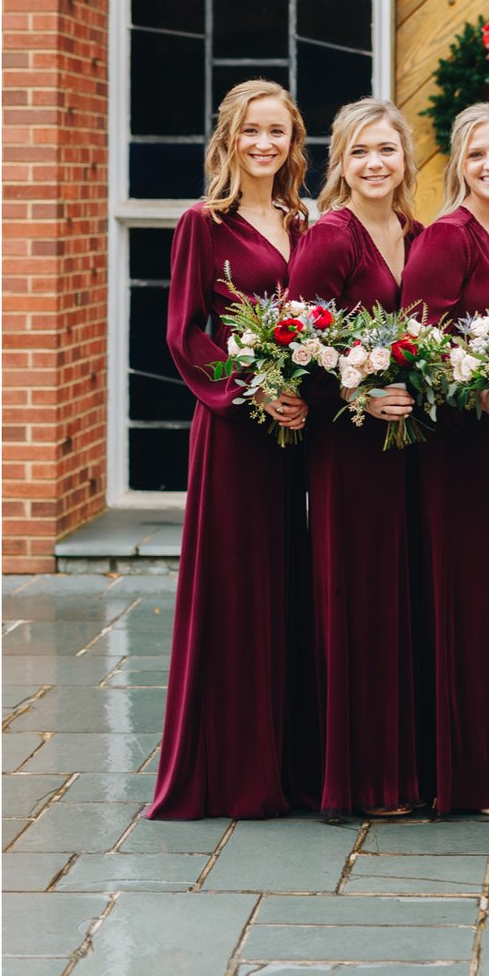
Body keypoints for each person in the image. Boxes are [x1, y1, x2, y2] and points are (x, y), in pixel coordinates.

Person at [149, 81, 317, 820]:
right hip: (235, 435)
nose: (263, 144)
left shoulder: (307, 221)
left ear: (293, 142)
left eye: (276, 132)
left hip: (302, 432)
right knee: (235, 592)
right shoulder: (203, 224)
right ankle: (231, 770)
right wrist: (251, 392)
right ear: (230, 138)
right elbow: (186, 333)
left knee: (293, 585)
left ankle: (292, 761)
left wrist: (314, 385)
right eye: (251, 131)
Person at [402, 102, 489, 818]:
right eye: (478, 153)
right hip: (465, 454)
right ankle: (473, 774)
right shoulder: (445, 237)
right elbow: (415, 350)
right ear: (460, 163)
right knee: (473, 602)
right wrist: (476, 392)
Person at [287, 98, 426, 818]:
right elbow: (296, 340)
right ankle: (355, 778)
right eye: (361, 151)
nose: (376, 163)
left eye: (388, 150)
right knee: (355, 599)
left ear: (407, 160)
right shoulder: (332, 235)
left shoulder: (417, 232)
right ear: (339, 160)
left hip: (411, 450)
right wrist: (358, 395)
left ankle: (403, 767)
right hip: (349, 448)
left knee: (401, 602)